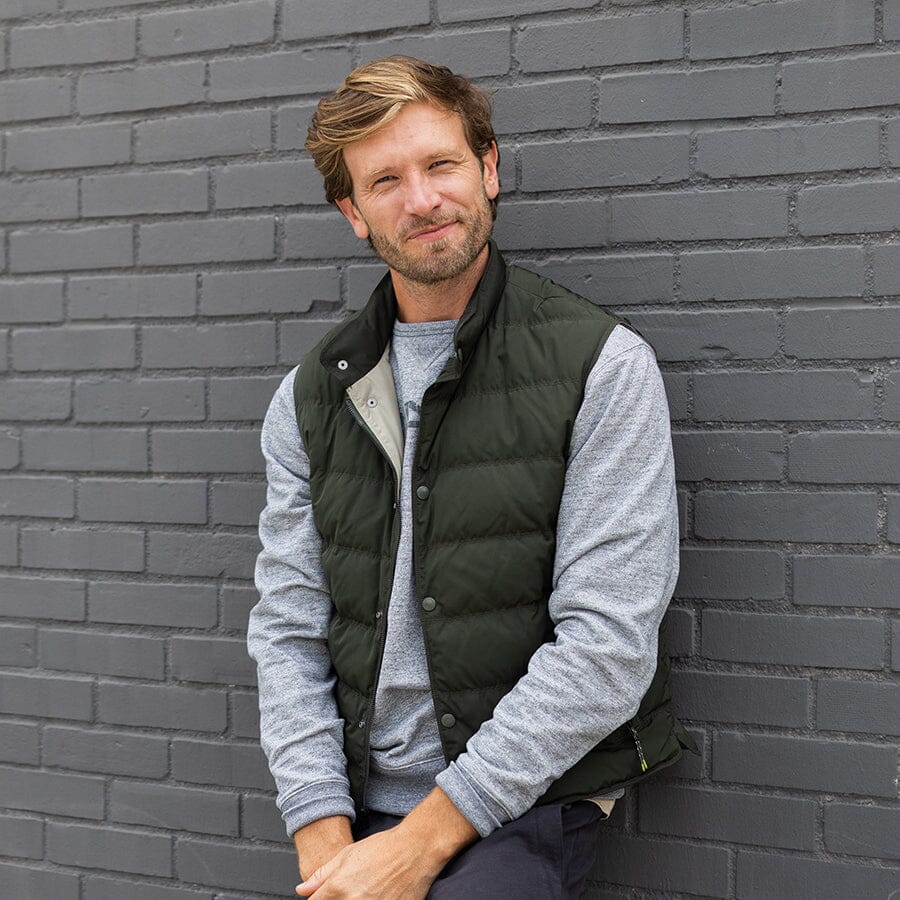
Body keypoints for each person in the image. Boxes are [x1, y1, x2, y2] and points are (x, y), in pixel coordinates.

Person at [247, 55, 696, 899]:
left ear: (488, 168)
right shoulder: (311, 397)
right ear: (352, 211)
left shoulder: (599, 367)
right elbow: (288, 628)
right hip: (353, 806)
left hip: (521, 801)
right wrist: (321, 837)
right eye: (385, 181)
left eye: (441, 164)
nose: (421, 200)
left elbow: (608, 646)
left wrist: (416, 848)